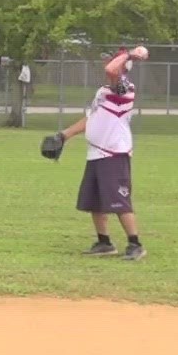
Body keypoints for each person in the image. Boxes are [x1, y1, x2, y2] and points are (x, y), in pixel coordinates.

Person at [45, 46, 148, 261]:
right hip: (97, 153)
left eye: (112, 59)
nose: (106, 63)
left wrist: (128, 56)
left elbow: (112, 70)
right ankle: (104, 242)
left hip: (114, 153)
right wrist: (64, 135)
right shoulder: (104, 91)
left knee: (119, 200)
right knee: (95, 200)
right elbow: (90, 119)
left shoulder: (124, 89)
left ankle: (135, 244)